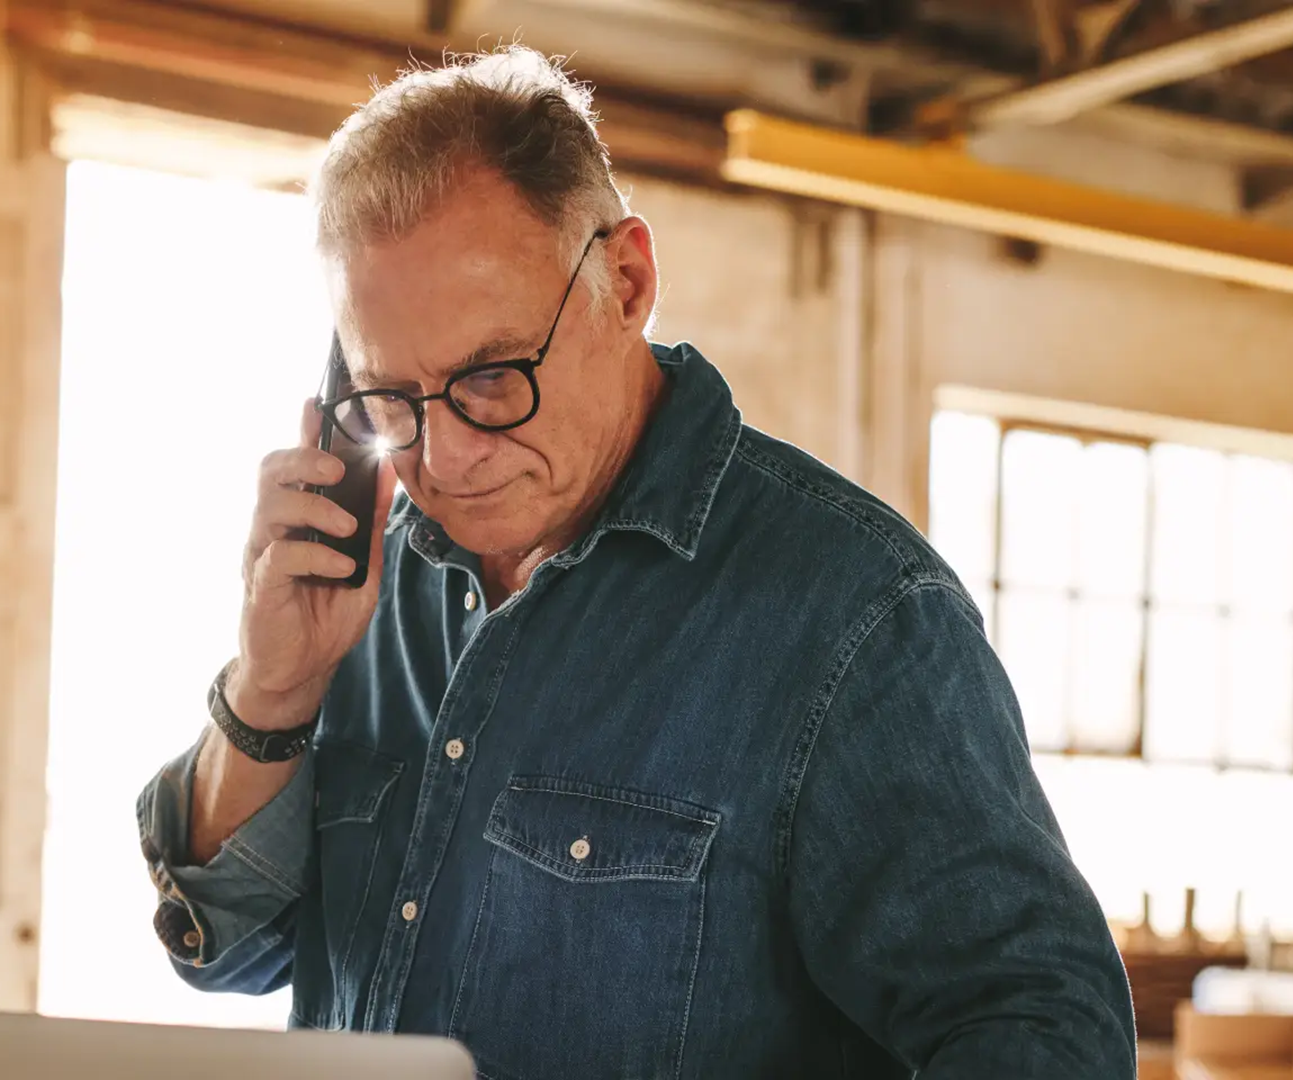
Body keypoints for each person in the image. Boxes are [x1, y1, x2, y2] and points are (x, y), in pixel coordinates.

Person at [135, 46, 1137, 1078]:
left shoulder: (856, 618)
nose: (446, 456)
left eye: (490, 377)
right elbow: (230, 950)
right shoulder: (366, 589)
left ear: (626, 280)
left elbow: (1044, 1034)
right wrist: (275, 689)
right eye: (390, 400)